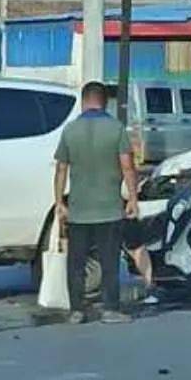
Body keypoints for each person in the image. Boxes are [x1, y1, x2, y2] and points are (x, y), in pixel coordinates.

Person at [54, 81, 140, 324]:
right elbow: (127, 166)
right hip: (109, 209)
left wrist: (59, 201)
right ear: (104, 101)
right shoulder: (116, 129)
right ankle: (110, 309)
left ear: (84, 101)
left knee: (76, 263)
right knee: (109, 261)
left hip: (79, 209)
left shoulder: (70, 130)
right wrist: (132, 198)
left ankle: (77, 310)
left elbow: (61, 168)